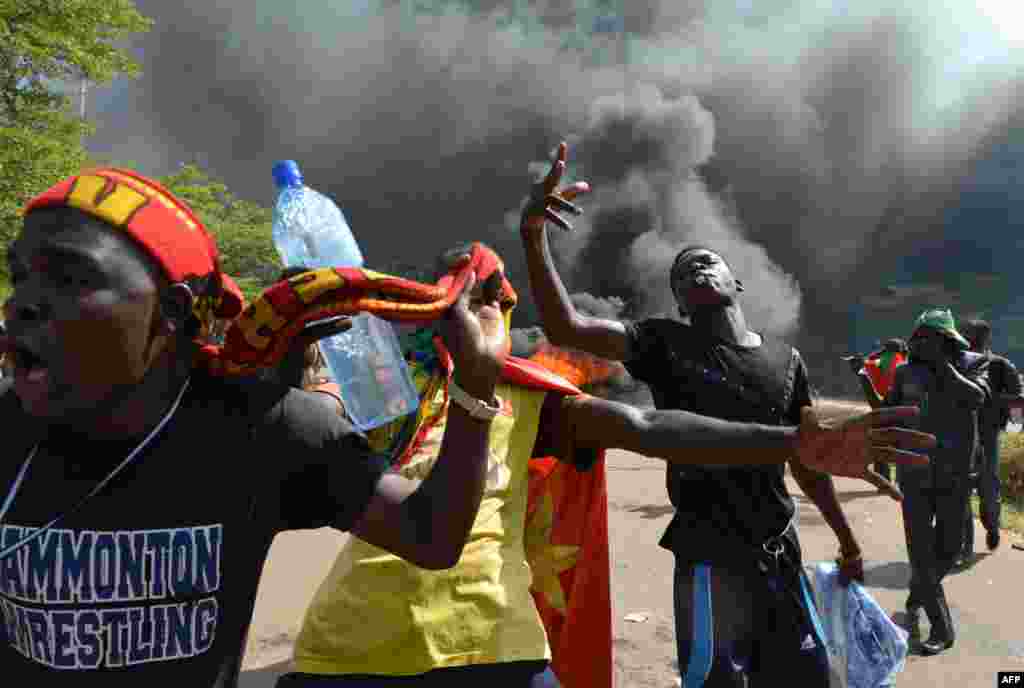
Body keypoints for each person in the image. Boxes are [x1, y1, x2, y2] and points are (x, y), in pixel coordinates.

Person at [0, 168, 510, 686]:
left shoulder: (258, 427)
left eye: (70, 277)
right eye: (19, 276)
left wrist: (475, 381)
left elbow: (431, 536)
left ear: (171, 310)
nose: (22, 302)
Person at [516, 142, 914, 687]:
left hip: (781, 554)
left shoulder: (785, 360)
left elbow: (808, 455)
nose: (694, 267)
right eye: (681, 273)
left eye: (707, 261)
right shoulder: (662, 342)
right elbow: (567, 328)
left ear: (736, 283)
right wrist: (534, 236)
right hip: (710, 559)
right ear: (680, 303)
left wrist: (847, 538)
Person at [859, 309, 989, 655]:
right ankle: (941, 626)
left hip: (955, 474)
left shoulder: (971, 365)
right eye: (916, 338)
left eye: (926, 338)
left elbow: (978, 397)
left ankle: (919, 594)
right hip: (914, 474)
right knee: (920, 552)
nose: (917, 344)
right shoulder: (904, 372)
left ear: (945, 341)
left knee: (946, 550)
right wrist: (865, 383)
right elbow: (887, 412)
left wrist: (942, 366)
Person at [958, 319, 1023, 555]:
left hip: (987, 435)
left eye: (973, 336)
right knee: (960, 489)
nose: (968, 339)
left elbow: (1018, 399)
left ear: (985, 339)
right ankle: (964, 545)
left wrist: (989, 398)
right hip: (959, 435)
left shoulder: (1000, 366)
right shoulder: (955, 362)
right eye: (966, 335)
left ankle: (992, 525)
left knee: (988, 487)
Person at [847, 338, 909, 484]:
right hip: (899, 409)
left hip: (891, 410)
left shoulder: (879, 363)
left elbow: (876, 402)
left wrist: (863, 370)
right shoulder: (903, 363)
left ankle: (884, 479)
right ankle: (891, 480)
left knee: (880, 438)